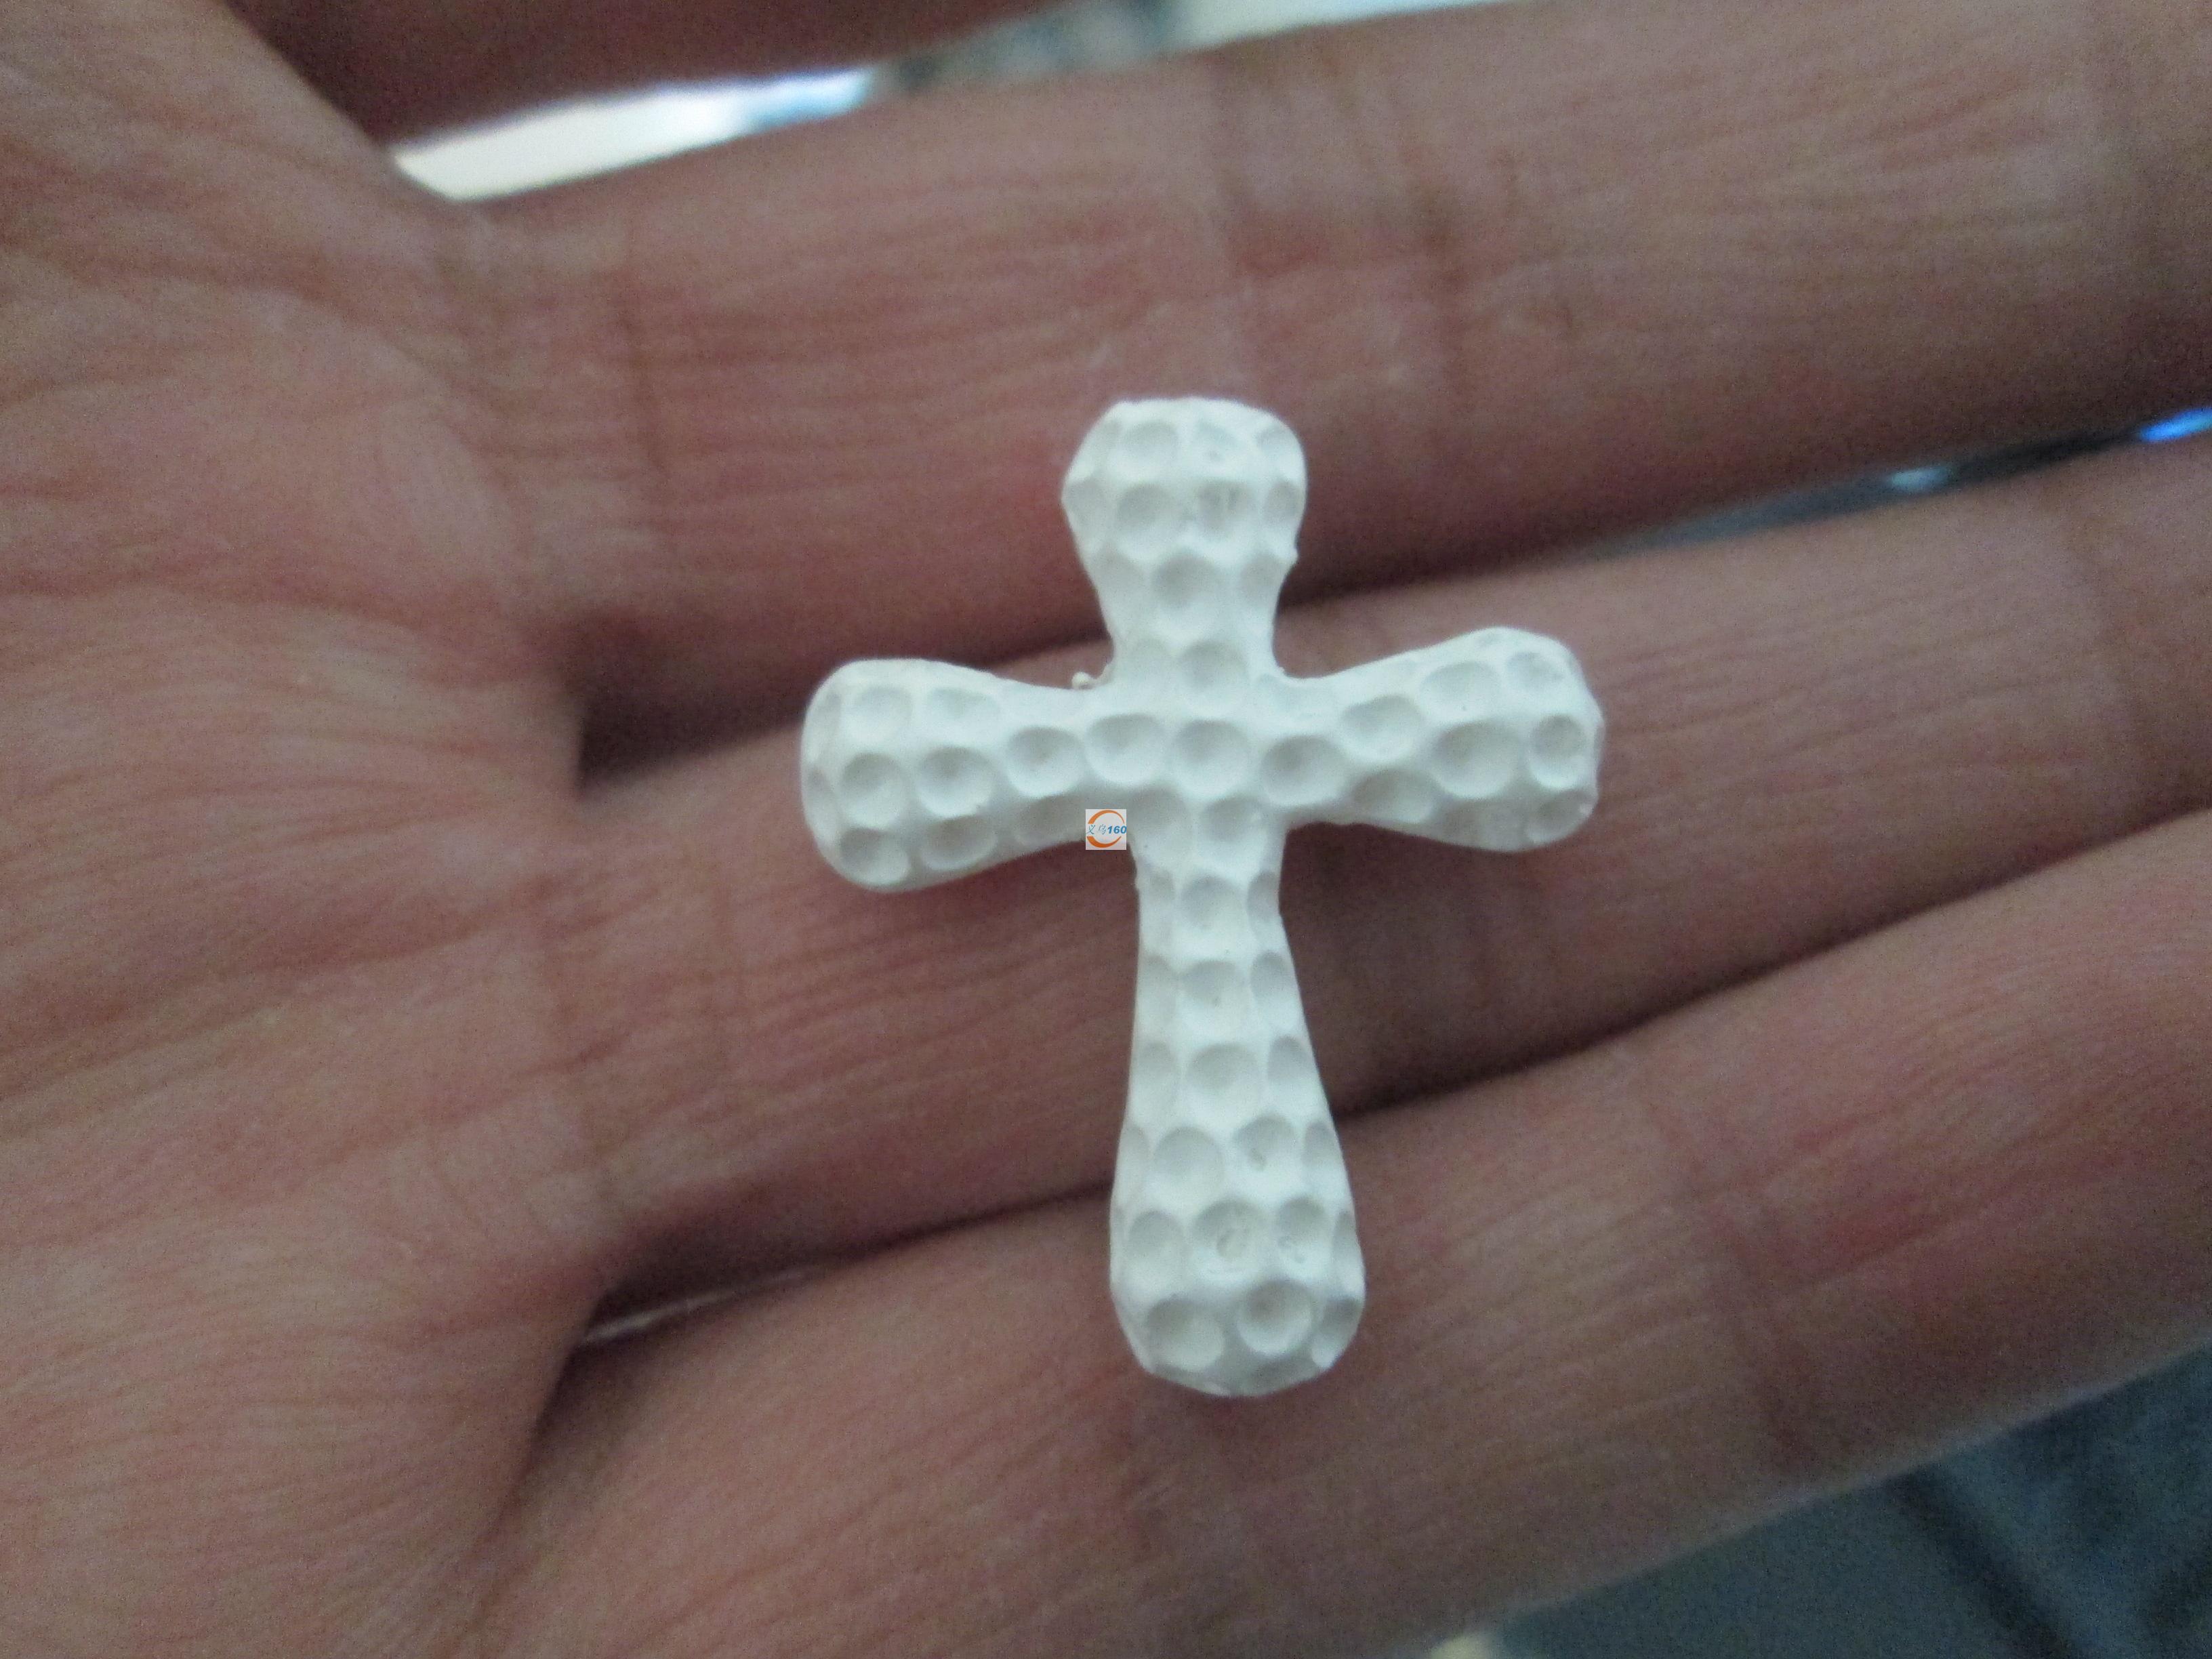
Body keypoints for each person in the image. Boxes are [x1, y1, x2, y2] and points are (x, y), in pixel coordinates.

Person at [3, 0, 2206, 1653]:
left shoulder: (1198, 732)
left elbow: (1511, 731)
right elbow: (921, 769)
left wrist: (1109, 785)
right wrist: (1097, 788)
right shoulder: (1093, 745)